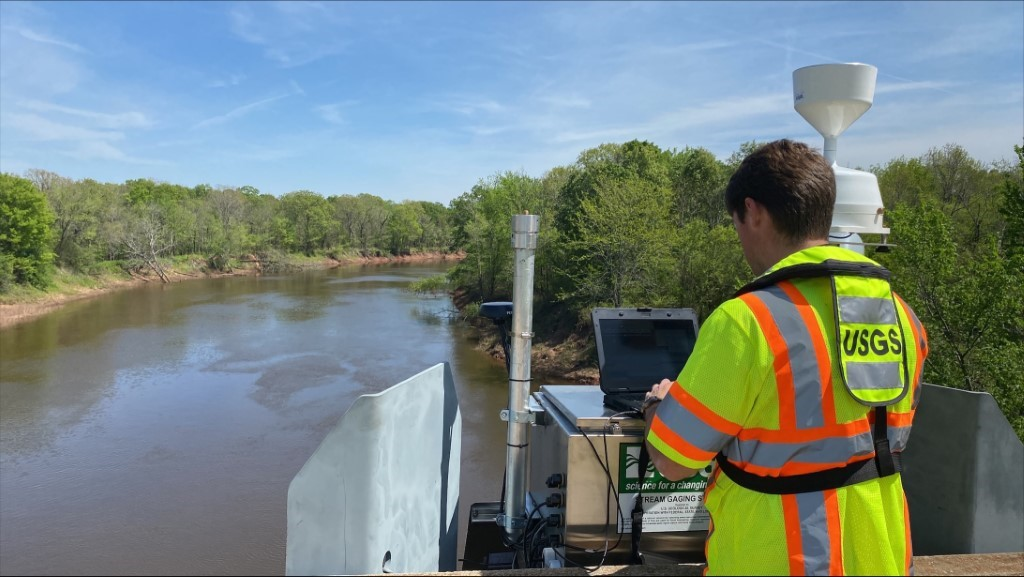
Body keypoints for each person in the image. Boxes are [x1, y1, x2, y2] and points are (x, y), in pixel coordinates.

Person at [641, 139, 928, 576]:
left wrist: (658, 408)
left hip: (778, 559)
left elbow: (674, 462)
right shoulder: (901, 315)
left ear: (753, 212)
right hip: (880, 558)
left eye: (736, 222)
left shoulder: (747, 321)